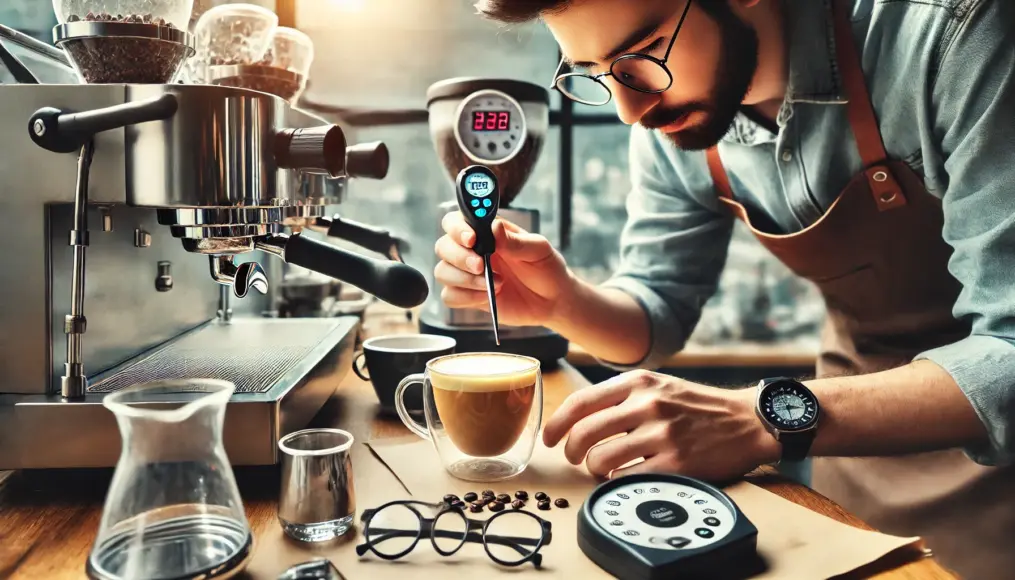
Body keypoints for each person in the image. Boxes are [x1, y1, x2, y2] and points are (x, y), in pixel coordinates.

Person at [433, 0, 1015, 576]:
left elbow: (1007, 352)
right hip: (845, 453)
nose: (631, 111)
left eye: (640, 55)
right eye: (593, 74)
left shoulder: (952, 33)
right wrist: (557, 300)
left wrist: (759, 419)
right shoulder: (671, 112)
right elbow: (657, 310)